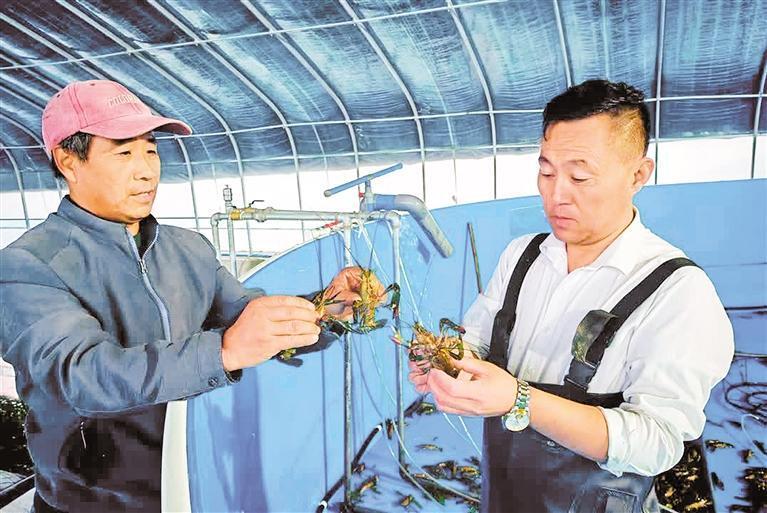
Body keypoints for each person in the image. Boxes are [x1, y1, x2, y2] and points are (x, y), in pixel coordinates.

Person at [0, 80, 379, 512]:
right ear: (68, 161)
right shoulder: (28, 265)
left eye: (151, 150)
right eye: (124, 153)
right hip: (96, 501)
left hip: (193, 481)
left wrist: (326, 307)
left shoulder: (188, 248)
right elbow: (82, 375)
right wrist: (223, 350)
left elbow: (245, 316)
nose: (147, 170)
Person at [409, 80, 734, 513]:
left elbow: (658, 442)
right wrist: (451, 360)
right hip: (504, 497)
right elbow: (479, 339)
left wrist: (520, 400)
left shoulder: (677, 291)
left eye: (580, 176)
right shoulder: (522, 256)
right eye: (546, 172)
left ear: (638, 175)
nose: (556, 194)